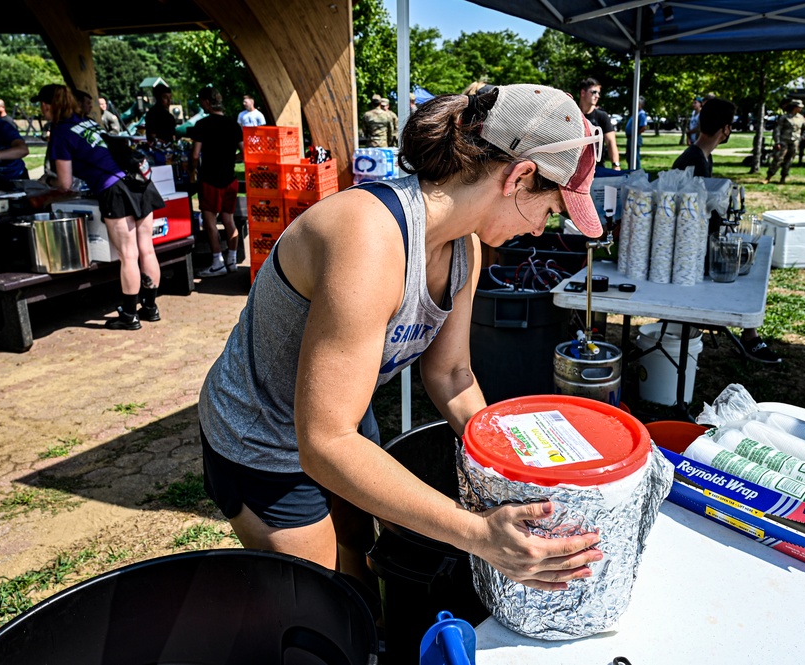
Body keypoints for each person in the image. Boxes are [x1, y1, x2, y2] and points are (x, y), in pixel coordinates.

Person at [198, 84, 605, 591]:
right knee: (318, 601)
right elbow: (324, 443)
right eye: (553, 207)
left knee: (360, 556)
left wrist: (510, 464)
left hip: (342, 416)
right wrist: (478, 533)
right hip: (261, 434)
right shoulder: (367, 236)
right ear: (520, 177)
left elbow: (451, 374)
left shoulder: (465, 251)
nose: (545, 229)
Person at [36, 84, 165, 330]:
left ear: (46, 106)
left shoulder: (61, 133)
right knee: (146, 249)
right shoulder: (89, 123)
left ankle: (129, 315)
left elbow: (64, 183)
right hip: (139, 182)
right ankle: (150, 308)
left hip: (115, 190)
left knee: (128, 255)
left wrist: (46, 181)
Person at [672, 98, 782, 365]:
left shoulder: (699, 156)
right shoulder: (693, 161)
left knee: (750, 260)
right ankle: (749, 336)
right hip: (691, 254)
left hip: (699, 246)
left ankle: (749, 333)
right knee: (747, 270)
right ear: (726, 129)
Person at [190, 87, 243, 278]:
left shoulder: (202, 125)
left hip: (210, 179)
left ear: (206, 102)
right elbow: (244, 152)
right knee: (228, 219)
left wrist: (192, 170)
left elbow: (195, 154)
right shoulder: (233, 125)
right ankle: (232, 259)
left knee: (210, 221)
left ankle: (217, 261)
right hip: (230, 178)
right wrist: (231, 159)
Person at [577, 77, 620, 171]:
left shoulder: (602, 116)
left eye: (599, 93)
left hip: (596, 168)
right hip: (573, 169)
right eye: (594, 92)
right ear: (583, 93)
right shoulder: (572, 115)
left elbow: (610, 142)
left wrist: (616, 165)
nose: (597, 96)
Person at [763, 99, 805, 184]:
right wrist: (777, 141)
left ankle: (783, 178)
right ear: (794, 107)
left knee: (789, 161)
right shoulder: (785, 117)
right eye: (799, 107)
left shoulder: (801, 118)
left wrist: (801, 138)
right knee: (778, 159)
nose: (801, 109)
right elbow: (777, 130)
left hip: (794, 142)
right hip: (783, 141)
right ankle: (769, 176)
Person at [629, 97, 649, 170]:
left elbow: (643, 127)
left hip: (635, 138)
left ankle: (636, 172)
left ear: (640, 105)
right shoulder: (636, 113)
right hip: (631, 137)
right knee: (630, 156)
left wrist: (635, 134)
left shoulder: (642, 114)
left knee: (635, 157)